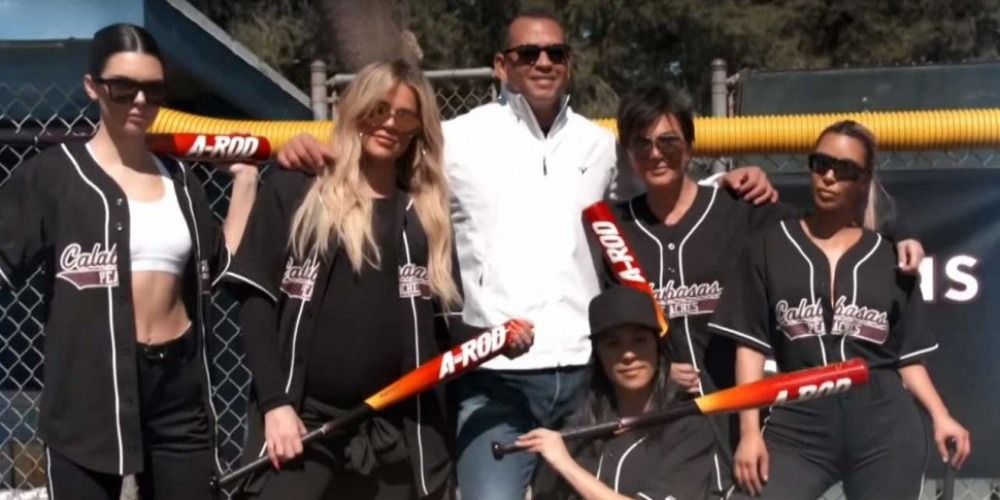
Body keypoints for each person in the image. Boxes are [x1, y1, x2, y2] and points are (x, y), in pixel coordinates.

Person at [274, 11, 779, 499]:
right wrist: (307, 149)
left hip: (586, 376)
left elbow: (653, 192)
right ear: (501, 64)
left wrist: (724, 182)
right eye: (528, 52)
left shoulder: (598, 145)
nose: (543, 62)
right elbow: (381, 167)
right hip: (494, 381)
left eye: (556, 52)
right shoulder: (456, 140)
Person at [591, 85, 928, 497]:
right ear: (627, 152)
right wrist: (660, 369)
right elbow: (615, 329)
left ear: (691, 147)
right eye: (641, 143)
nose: (655, 153)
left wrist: (902, 232)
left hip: (737, 413)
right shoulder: (614, 232)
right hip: (665, 420)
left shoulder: (741, 210)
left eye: (668, 141)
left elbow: (830, 224)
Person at [224, 59, 532, 500]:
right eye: (377, 110)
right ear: (355, 112)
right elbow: (255, 302)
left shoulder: (424, 214)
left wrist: (498, 338)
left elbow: (444, 328)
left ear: (417, 130)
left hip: (397, 428)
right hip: (305, 425)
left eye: (404, 115)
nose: (389, 123)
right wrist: (275, 405)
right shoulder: (298, 190)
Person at [0, 23, 258, 500]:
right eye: (122, 88)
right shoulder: (56, 176)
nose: (139, 101)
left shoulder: (180, 180)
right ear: (92, 88)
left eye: (153, 90)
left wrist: (245, 183)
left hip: (178, 390)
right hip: (89, 392)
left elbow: (217, 266)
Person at [708, 120, 971, 499]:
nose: (829, 177)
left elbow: (909, 357)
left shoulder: (890, 256)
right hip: (799, 420)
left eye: (844, 170)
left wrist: (941, 415)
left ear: (863, 181)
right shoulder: (768, 246)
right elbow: (750, 348)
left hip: (883, 423)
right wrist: (749, 433)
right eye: (820, 163)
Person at [522, 286, 717, 500]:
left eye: (639, 340)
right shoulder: (576, 433)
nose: (628, 355)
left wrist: (565, 465)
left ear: (657, 347)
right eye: (613, 343)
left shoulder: (688, 429)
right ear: (598, 354)